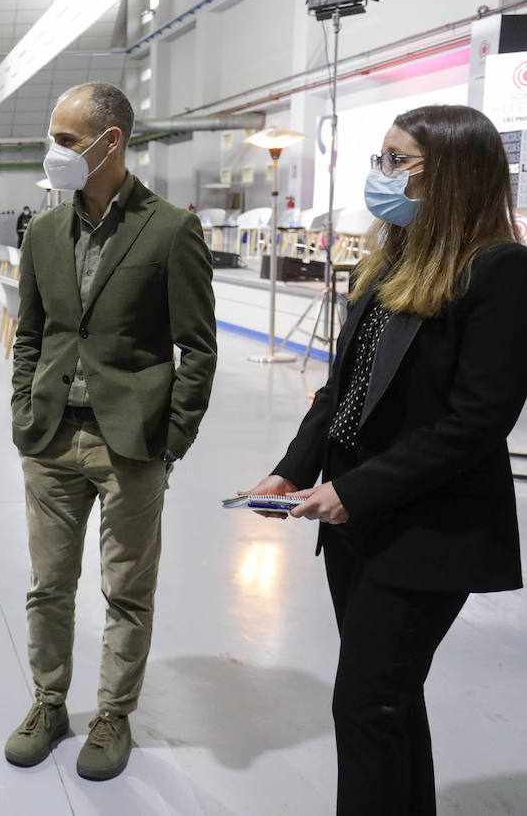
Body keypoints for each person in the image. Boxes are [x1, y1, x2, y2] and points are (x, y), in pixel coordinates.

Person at [240, 104, 527, 815]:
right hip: (358, 523)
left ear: (453, 173)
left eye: (399, 161)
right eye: (383, 157)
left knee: (364, 707)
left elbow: (477, 423)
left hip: (430, 529)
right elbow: (344, 388)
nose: (382, 173)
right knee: (390, 702)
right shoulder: (391, 258)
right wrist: (294, 468)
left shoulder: (500, 271)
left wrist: (358, 488)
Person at [6, 82, 217, 780]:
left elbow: (198, 346)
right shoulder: (42, 231)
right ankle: (47, 702)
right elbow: (30, 334)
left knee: (127, 590)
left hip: (132, 443)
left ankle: (112, 715)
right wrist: (23, 416)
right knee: (48, 586)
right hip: (51, 439)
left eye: (66, 141)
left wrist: (172, 440)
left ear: (110, 142)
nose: (54, 152)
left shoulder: (169, 231)